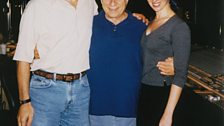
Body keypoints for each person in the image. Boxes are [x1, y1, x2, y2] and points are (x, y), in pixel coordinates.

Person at [87, 0, 174, 126]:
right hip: (93, 112)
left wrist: (173, 64)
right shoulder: (88, 25)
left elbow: (163, 55)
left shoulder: (142, 28)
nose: (112, 2)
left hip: (130, 111)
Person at [13, 0, 98, 126]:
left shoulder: (90, 3)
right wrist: (24, 102)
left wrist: (133, 18)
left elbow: (104, 23)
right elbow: (23, 57)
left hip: (81, 90)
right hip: (45, 90)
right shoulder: (37, 5)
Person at [137, 0, 191, 126]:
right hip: (146, 92)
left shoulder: (178, 26)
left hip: (162, 94)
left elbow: (181, 75)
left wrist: (168, 114)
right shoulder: (151, 22)